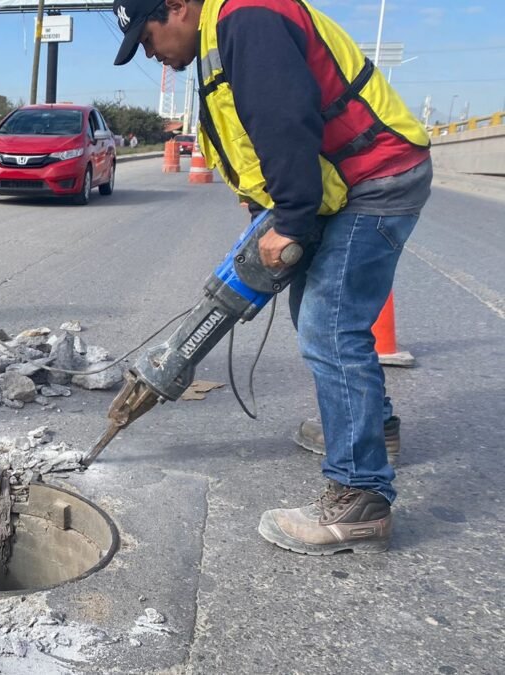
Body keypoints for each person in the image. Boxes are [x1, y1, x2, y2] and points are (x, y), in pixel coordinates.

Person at [112, 0, 432, 555]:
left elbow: (286, 119)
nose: (150, 51)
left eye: (148, 36)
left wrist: (289, 219)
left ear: (178, 7)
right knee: (315, 314)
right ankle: (372, 432)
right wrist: (266, 209)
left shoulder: (246, 19)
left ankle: (360, 497)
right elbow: (248, 135)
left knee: (329, 328)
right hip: (343, 187)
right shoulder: (219, 40)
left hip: (372, 178)